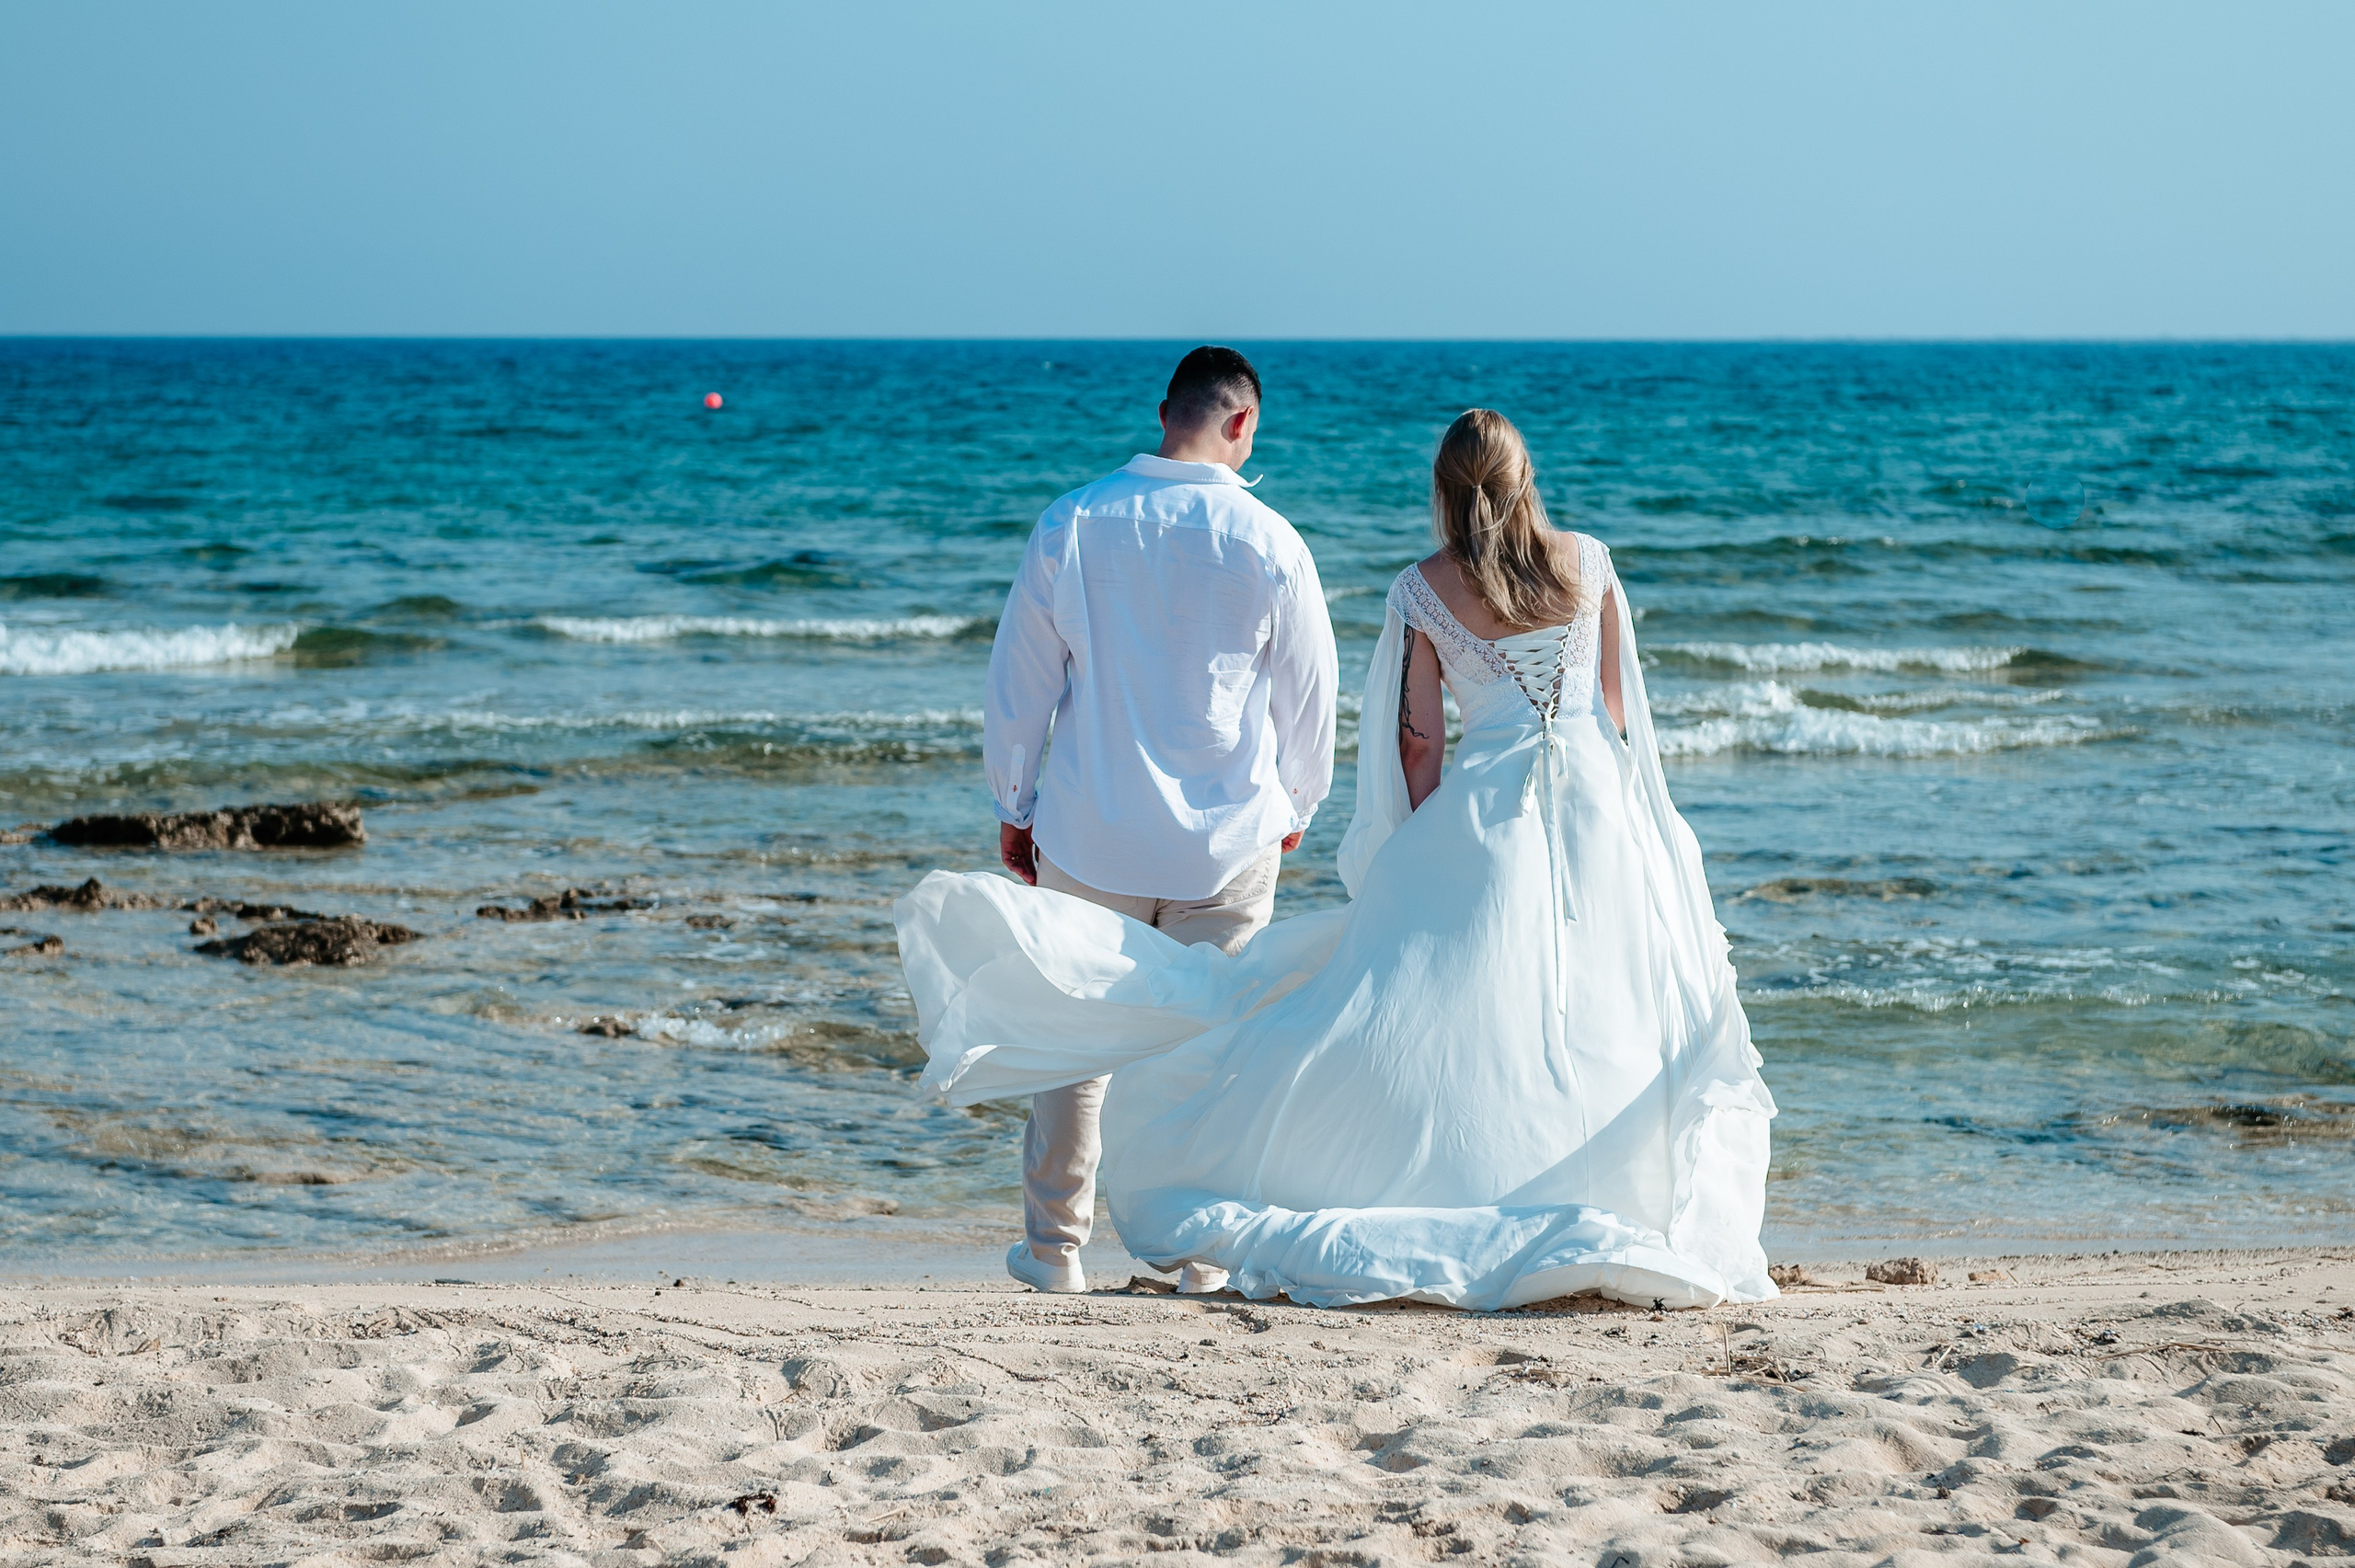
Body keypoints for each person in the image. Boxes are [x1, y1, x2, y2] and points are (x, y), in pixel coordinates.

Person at [899, 408, 1775, 1310]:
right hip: (1601, 816)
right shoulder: (1587, 563)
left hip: (1477, 815)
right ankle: (1606, 1186)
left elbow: (1419, 749)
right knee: (1596, 1007)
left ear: (1442, 490)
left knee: (1449, 1023)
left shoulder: (1424, 588)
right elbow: (1614, 710)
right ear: (1527, 479)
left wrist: (1428, 853)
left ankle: (1062, 1241)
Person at [971, 345, 1339, 1295]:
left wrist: (1015, 802)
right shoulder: (1272, 542)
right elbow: (1310, 700)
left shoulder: (1076, 520)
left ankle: (1056, 1249)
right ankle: (1198, 1256)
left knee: (1076, 1041)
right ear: (1243, 423)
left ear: (1162, 412)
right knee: (1208, 1050)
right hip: (1226, 841)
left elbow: (1019, 681)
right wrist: (1295, 808)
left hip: (1090, 822)